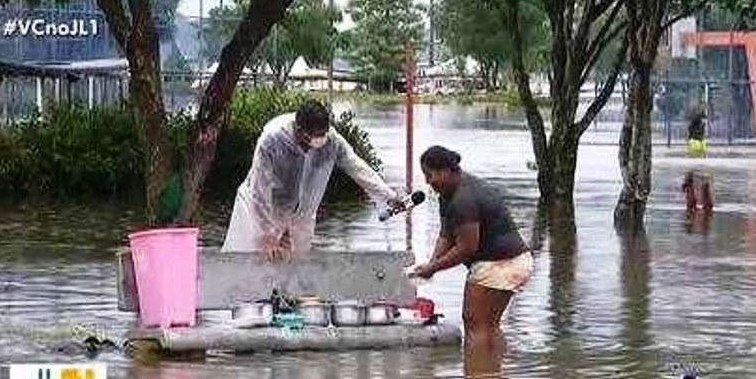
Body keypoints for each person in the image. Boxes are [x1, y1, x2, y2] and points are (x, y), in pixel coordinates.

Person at [221, 100, 400, 260]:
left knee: (295, 276)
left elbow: (357, 167)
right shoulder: (272, 139)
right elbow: (260, 191)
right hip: (260, 212)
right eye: (307, 142)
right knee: (249, 266)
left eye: (320, 138)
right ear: (299, 130)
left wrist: (388, 195)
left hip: (301, 216)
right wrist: (267, 236)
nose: (311, 148)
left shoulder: (332, 141)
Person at [410, 146, 533, 340]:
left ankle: (478, 371)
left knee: (475, 325)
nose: (427, 181)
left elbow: (466, 248)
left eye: (429, 174)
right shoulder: (448, 193)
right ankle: (491, 370)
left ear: (445, 171)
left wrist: (434, 268)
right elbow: (446, 235)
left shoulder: (463, 199)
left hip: (500, 264)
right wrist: (431, 264)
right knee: (488, 326)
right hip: (514, 261)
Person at [682, 112, 713, 213]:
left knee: (695, 182)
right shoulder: (698, 132)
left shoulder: (695, 131)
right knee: (702, 182)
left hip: (697, 152)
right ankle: (699, 203)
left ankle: (694, 203)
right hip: (698, 152)